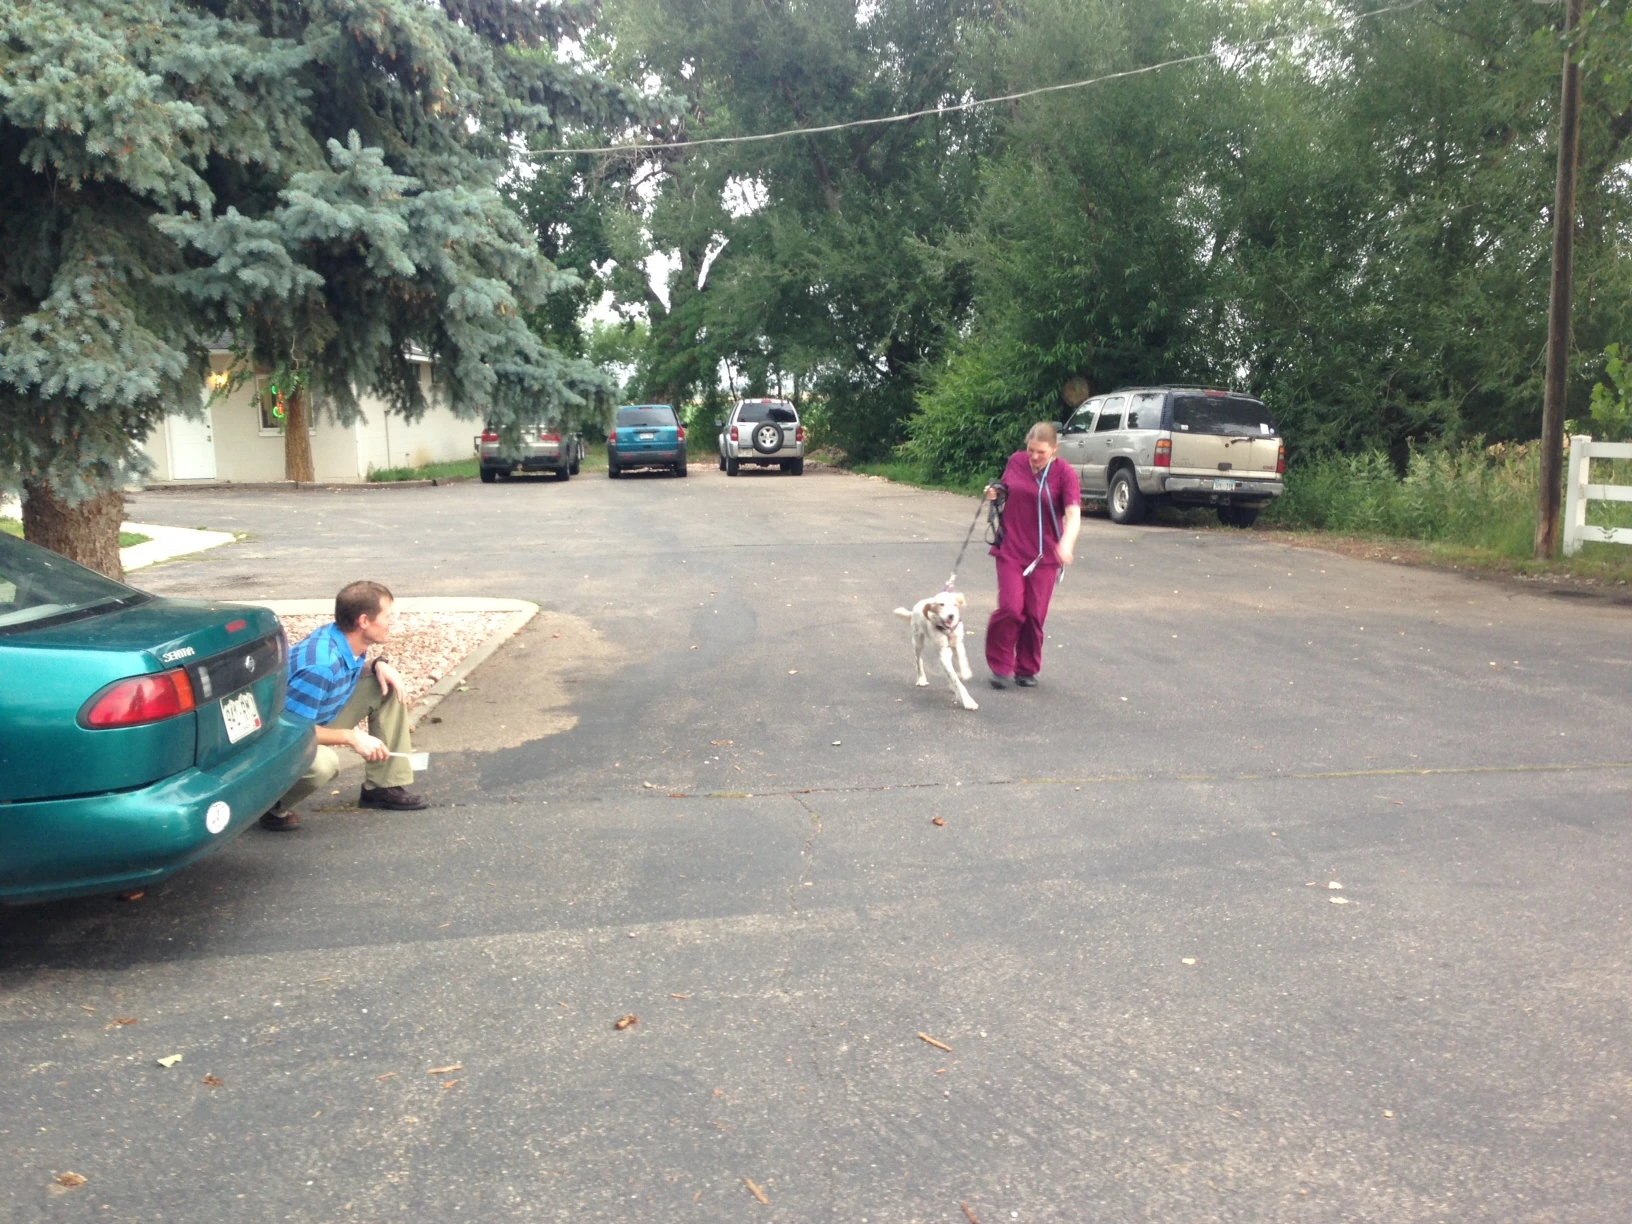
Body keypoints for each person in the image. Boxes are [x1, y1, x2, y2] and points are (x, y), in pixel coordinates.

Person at [260, 580, 428, 830]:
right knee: (323, 764)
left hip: (314, 720)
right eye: (388, 616)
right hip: (280, 742)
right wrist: (350, 736)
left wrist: (378, 664)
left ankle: (383, 787)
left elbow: (352, 671)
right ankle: (270, 806)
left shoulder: (344, 639)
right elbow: (287, 731)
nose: (392, 622)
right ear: (363, 621)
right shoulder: (321, 666)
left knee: (385, 687)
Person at [984, 421, 1082, 689]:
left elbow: (1073, 515)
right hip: (1011, 548)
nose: (1035, 457)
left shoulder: (1065, 474)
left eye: (1041, 452)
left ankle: (1026, 668)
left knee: (1034, 614)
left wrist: (1067, 544)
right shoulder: (1016, 461)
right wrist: (996, 493)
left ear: (1054, 449)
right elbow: (1006, 489)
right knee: (1011, 608)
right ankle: (1000, 666)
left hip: (1044, 555)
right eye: (1031, 450)